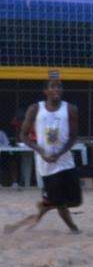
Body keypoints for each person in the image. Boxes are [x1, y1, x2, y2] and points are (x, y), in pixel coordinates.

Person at [4, 78, 82, 234]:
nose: (56, 89)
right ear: (45, 91)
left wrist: (60, 153)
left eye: (59, 87)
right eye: (52, 87)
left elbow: (74, 137)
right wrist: (41, 151)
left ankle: (46, 203)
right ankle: (73, 229)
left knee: (75, 201)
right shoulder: (35, 109)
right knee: (60, 203)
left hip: (65, 161)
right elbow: (23, 135)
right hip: (46, 165)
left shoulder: (70, 109)